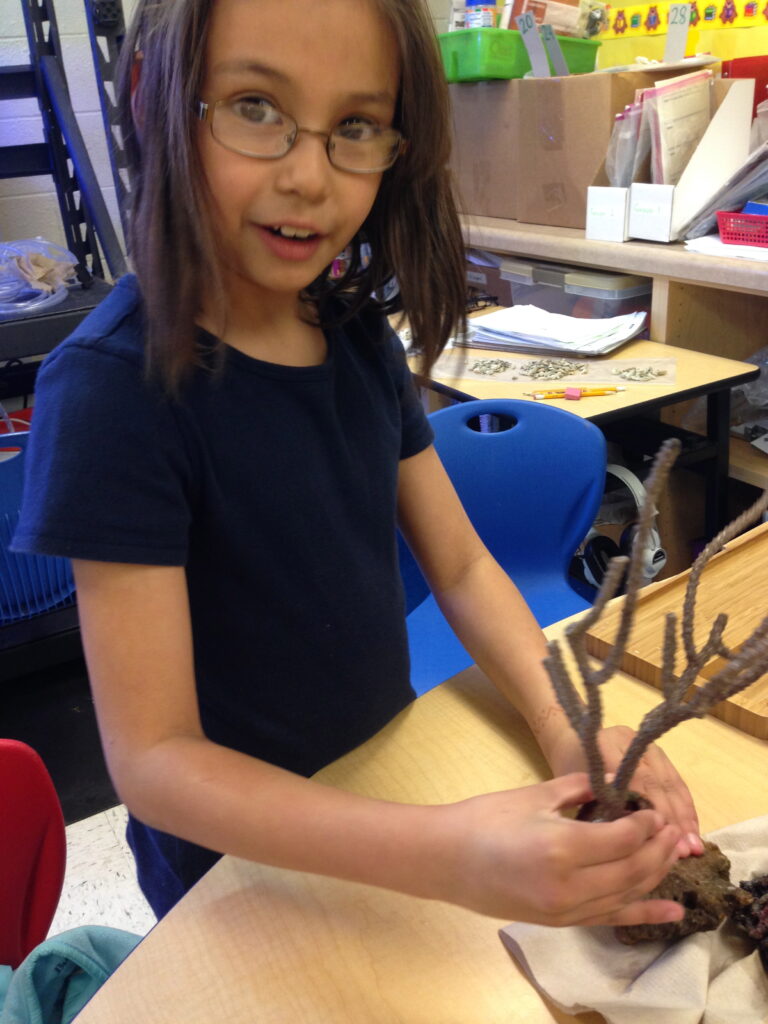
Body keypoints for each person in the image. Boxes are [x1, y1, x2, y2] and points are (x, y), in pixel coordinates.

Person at [14, 0, 703, 926]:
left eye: (355, 126)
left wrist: (566, 728)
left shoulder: (352, 334)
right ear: (152, 100)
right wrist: (449, 852)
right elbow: (156, 763)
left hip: (384, 787)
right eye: (256, 106)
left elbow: (459, 564)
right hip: (239, 880)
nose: (311, 178)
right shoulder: (113, 393)